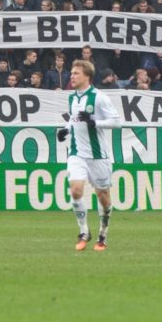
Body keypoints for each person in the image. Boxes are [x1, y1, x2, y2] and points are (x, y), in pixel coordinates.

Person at [57, 59, 121, 251]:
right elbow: (74, 119)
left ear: (87, 76)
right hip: (77, 153)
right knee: (76, 190)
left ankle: (103, 234)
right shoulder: (72, 98)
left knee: (103, 197)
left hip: (98, 155)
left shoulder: (99, 97)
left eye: (76, 73)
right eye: (71, 73)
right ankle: (84, 231)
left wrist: (94, 122)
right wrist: (66, 129)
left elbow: (116, 122)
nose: (72, 76)